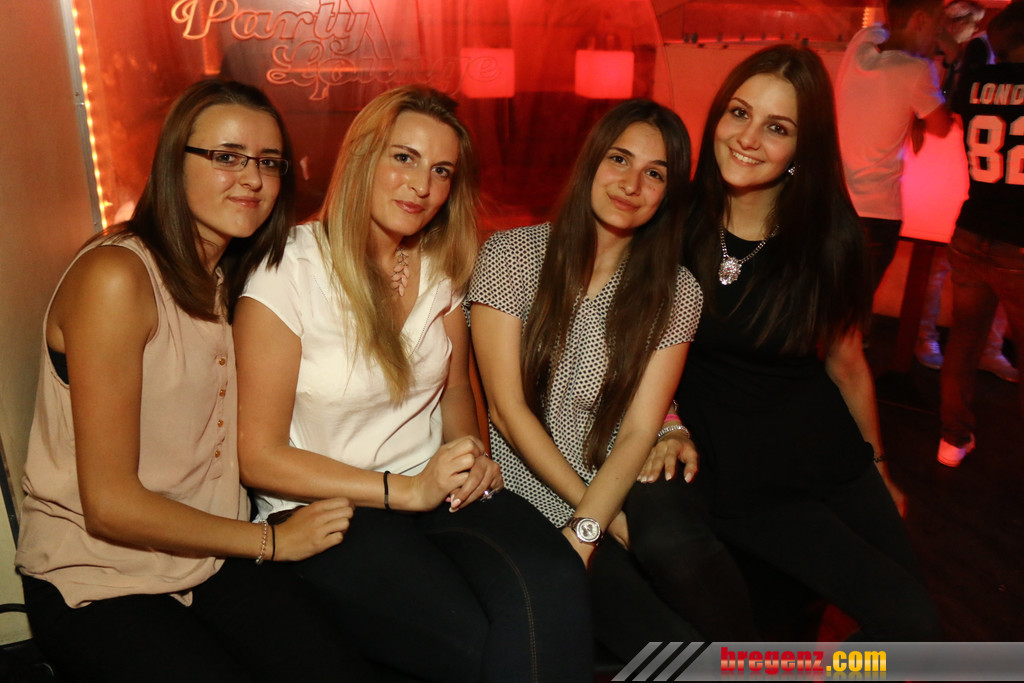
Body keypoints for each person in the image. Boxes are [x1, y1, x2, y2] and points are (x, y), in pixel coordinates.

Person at [15, 80, 377, 682]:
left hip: (210, 557)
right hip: (100, 576)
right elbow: (110, 507)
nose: (252, 179)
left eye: (269, 162)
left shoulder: (226, 274)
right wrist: (272, 543)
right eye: (227, 156)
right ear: (173, 161)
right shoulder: (117, 277)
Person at [234, 85, 591, 683]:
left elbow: (456, 389)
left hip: (435, 490)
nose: (422, 185)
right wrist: (406, 491)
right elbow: (258, 456)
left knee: (556, 581)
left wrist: (471, 455)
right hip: (329, 508)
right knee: (474, 639)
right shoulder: (286, 269)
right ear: (361, 157)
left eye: (442, 170)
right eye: (404, 157)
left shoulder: (438, 265)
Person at [631, 45, 943, 641]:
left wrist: (879, 467)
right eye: (739, 113)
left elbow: (846, 363)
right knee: (798, 621)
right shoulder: (672, 217)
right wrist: (666, 424)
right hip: (734, 471)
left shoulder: (830, 237)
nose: (747, 139)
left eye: (777, 128)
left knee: (915, 630)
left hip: (823, 454)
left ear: (804, 147)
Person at [467, 99, 710, 660]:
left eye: (655, 173)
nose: (632, 184)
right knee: (671, 643)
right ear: (591, 161)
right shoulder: (511, 256)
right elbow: (507, 412)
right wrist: (595, 527)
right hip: (520, 491)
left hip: (615, 481)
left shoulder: (676, 291)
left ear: (669, 193)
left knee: (692, 578)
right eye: (619, 159)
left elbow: (640, 429)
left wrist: (596, 519)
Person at [938, 2, 1024, 465]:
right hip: (1018, 242)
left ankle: (952, 440)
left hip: (971, 230)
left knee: (963, 341)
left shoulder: (974, 83)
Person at [836, 0, 953, 293]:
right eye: (937, 27)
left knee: (820, 304)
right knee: (852, 310)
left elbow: (886, 31)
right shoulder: (917, 70)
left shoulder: (861, 44)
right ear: (920, 20)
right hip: (875, 215)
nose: (938, 37)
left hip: (833, 205)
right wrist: (953, 59)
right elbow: (942, 127)